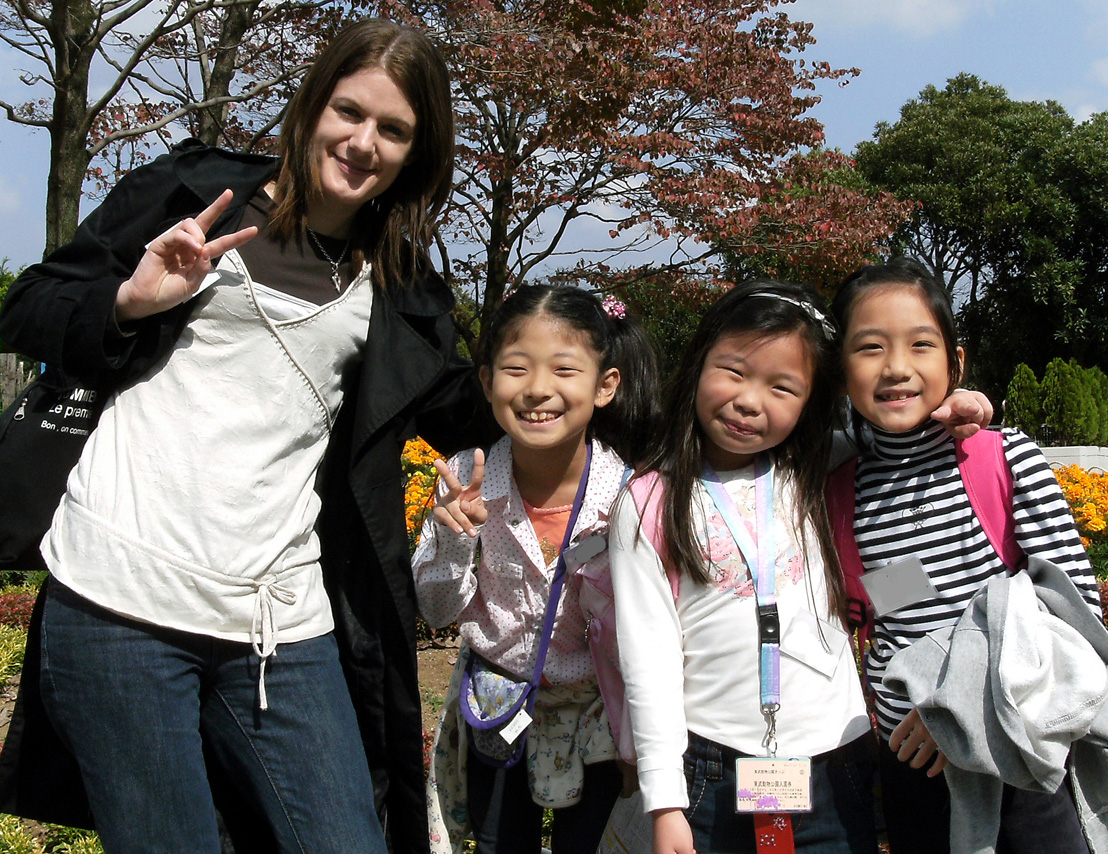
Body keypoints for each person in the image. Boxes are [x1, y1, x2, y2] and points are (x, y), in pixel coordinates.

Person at [0, 19, 493, 854]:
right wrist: (129, 302)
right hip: (121, 596)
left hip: (280, 626)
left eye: (394, 130)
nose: (363, 142)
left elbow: (472, 409)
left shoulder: (402, 289)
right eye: (349, 110)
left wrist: (565, 383)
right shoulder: (197, 193)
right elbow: (32, 306)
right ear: (311, 107)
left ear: (416, 153)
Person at [829, 258, 1101, 854]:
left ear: (955, 362)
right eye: (869, 348)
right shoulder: (839, 485)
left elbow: (1073, 615)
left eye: (921, 345)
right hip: (913, 768)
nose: (897, 367)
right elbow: (902, 605)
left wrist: (954, 703)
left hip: (1017, 749)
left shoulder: (1002, 459)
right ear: (840, 368)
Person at [609, 281, 878, 854]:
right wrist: (665, 801)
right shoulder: (649, 499)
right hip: (709, 769)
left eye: (782, 386)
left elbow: (899, 427)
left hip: (836, 760)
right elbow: (648, 660)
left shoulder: (817, 468)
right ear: (699, 361)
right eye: (733, 371)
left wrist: (955, 406)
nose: (750, 401)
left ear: (810, 402)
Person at [413, 285, 660, 854]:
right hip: (498, 713)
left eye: (564, 370)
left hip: (598, 721)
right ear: (485, 380)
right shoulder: (463, 478)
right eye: (516, 368)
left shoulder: (632, 496)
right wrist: (457, 536)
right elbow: (437, 610)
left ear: (605, 386)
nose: (538, 390)